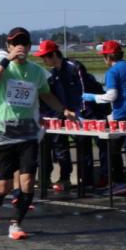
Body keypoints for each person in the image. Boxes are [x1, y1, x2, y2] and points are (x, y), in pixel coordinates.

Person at [0, 27, 74, 240]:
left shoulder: (35, 71)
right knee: (4, 185)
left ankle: (15, 224)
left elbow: (46, 95)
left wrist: (64, 110)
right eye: (15, 43)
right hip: (2, 132)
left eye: (24, 43)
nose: (20, 47)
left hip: (27, 132)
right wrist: (6, 61)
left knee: (27, 181)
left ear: (29, 46)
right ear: (8, 46)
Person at [86, 41, 126, 196]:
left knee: (113, 148)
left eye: (103, 56)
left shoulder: (112, 72)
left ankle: (120, 183)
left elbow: (111, 96)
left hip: (123, 114)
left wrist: (92, 97)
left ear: (108, 56)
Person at [34, 39, 88, 194]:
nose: (43, 60)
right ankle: (47, 178)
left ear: (53, 54)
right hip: (60, 113)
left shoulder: (74, 67)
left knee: (78, 146)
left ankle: (73, 179)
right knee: (55, 145)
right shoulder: (53, 74)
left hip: (77, 113)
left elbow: (84, 90)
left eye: (44, 57)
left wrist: (81, 111)